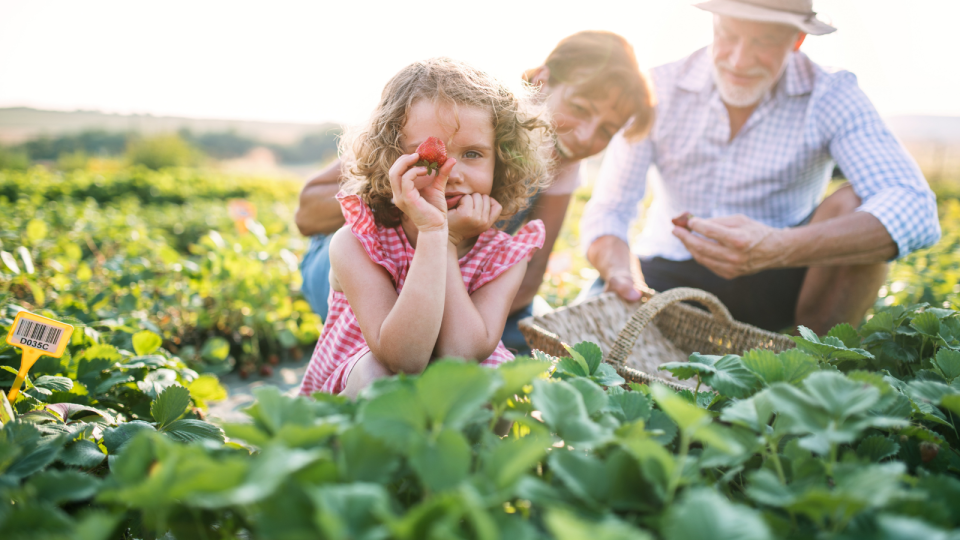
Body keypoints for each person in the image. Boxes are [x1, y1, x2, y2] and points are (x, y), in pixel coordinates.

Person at [580, 0, 940, 335]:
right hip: (668, 269)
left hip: (784, 276)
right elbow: (610, 208)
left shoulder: (830, 93)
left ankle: (818, 360)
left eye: (764, 42)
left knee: (858, 199)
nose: (739, 60)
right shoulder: (660, 87)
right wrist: (620, 276)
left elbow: (914, 207)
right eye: (729, 36)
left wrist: (779, 246)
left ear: (796, 40)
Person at [295, 31, 655, 355]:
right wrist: (404, 196)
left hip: (457, 278)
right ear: (542, 80)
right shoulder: (458, 110)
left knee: (532, 336)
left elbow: (527, 282)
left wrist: (456, 280)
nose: (586, 137)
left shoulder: (562, 162)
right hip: (373, 266)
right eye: (579, 108)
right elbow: (307, 214)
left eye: (607, 130)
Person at [298, 58, 553, 398]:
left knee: (499, 384)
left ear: (502, 161)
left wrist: (446, 242)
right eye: (430, 157)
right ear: (391, 159)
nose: (453, 172)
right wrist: (435, 234)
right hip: (362, 391)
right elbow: (403, 359)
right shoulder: (359, 242)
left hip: (448, 392)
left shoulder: (504, 256)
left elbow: (462, 355)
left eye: (474, 154)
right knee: (381, 378)